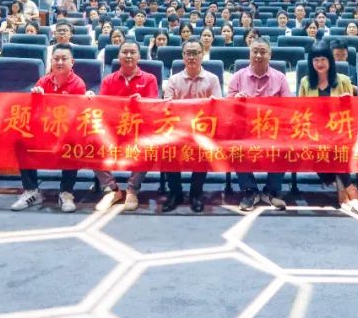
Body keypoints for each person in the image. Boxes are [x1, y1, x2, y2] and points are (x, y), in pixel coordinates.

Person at [12, 44, 90, 213]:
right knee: (21, 142)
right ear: (51, 61)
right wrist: (36, 98)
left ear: (72, 62)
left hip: (67, 131)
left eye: (64, 59)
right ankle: (31, 190)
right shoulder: (43, 81)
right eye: (56, 59)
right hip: (45, 130)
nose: (59, 62)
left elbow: (76, 115)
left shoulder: (78, 84)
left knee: (74, 143)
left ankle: (66, 192)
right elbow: (34, 114)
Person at [228, 37, 290, 211]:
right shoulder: (238, 77)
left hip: (273, 129)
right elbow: (227, 106)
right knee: (235, 147)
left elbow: (289, 107)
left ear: (270, 54)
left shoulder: (280, 78)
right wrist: (236, 100)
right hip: (245, 129)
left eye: (263, 52)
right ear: (249, 54)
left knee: (286, 145)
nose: (258, 55)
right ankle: (251, 191)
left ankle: (271, 191)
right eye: (255, 51)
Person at [299, 44, 358, 211]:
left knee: (335, 147)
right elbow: (301, 111)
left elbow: (352, 111)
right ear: (311, 62)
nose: (320, 63)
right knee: (322, 150)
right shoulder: (305, 82)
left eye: (323, 59)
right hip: (315, 132)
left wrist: (347, 102)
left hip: (340, 130)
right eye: (316, 60)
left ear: (330, 61)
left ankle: (344, 191)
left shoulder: (343, 80)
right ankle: (348, 187)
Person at [96, 41, 159, 211]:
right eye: (125, 52)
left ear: (139, 56)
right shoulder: (108, 80)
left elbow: (153, 107)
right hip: (114, 129)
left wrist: (142, 102)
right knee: (91, 142)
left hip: (139, 129)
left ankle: (132, 189)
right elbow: (103, 106)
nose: (129, 56)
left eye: (133, 52)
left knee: (151, 146)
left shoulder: (150, 79)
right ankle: (111, 189)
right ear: (118, 56)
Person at [162, 39, 223, 213]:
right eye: (188, 53)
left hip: (203, 130)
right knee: (167, 148)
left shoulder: (212, 79)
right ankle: (175, 193)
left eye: (195, 53)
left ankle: (196, 193)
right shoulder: (173, 80)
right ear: (183, 56)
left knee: (203, 146)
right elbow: (167, 107)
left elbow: (218, 107)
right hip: (178, 130)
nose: (191, 57)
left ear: (202, 55)